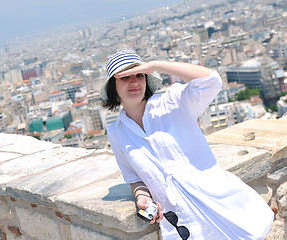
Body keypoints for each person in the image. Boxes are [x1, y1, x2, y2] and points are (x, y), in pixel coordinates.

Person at [100, 50, 274, 240]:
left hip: (223, 208)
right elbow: (134, 177)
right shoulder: (117, 132)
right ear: (113, 87)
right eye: (125, 77)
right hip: (183, 223)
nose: (134, 82)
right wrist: (142, 197)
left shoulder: (172, 102)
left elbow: (211, 81)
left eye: (140, 75)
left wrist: (156, 65)